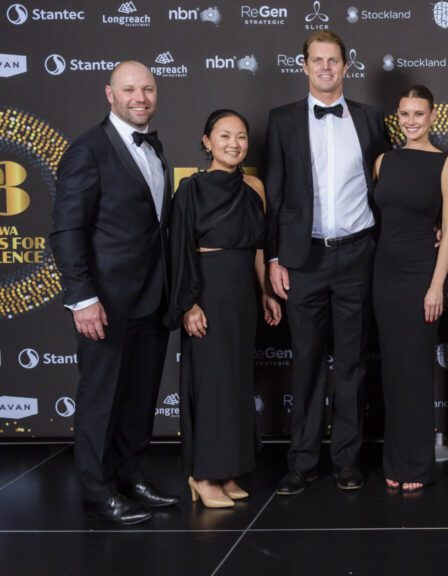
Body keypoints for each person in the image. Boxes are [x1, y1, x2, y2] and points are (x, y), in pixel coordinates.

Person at [51, 61, 179, 524]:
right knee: (101, 399)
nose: (139, 98)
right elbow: (67, 230)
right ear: (110, 94)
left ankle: (131, 476)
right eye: (129, 90)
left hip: (152, 296)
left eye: (147, 89)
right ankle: (96, 490)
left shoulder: (155, 147)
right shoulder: (87, 150)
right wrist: (82, 298)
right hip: (105, 302)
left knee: (140, 396)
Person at [264, 30, 390, 495]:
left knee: (352, 363)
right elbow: (274, 194)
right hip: (304, 258)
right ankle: (301, 461)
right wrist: (274, 256)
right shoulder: (282, 120)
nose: (324, 68)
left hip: (358, 253)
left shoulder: (371, 119)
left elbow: (388, 185)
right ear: (304, 66)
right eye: (316, 60)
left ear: (345, 66)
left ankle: (347, 460)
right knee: (307, 362)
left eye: (332, 60)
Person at [167, 110, 282, 507]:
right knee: (210, 384)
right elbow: (179, 250)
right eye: (225, 136)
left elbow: (259, 246)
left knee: (235, 383)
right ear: (207, 141)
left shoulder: (255, 187)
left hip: (242, 296)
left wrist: (266, 292)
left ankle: (227, 469)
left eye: (241, 136)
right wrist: (188, 304)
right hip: (208, 292)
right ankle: (202, 475)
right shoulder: (190, 189)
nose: (234, 144)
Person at [372, 86, 448, 491]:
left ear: (432, 117)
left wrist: (436, 286)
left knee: (415, 370)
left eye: (419, 114)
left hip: (421, 276)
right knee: (393, 370)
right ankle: (395, 460)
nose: (411, 121)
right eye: (405, 113)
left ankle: (415, 464)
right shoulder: (383, 161)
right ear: (398, 116)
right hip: (384, 276)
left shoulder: (447, 166)